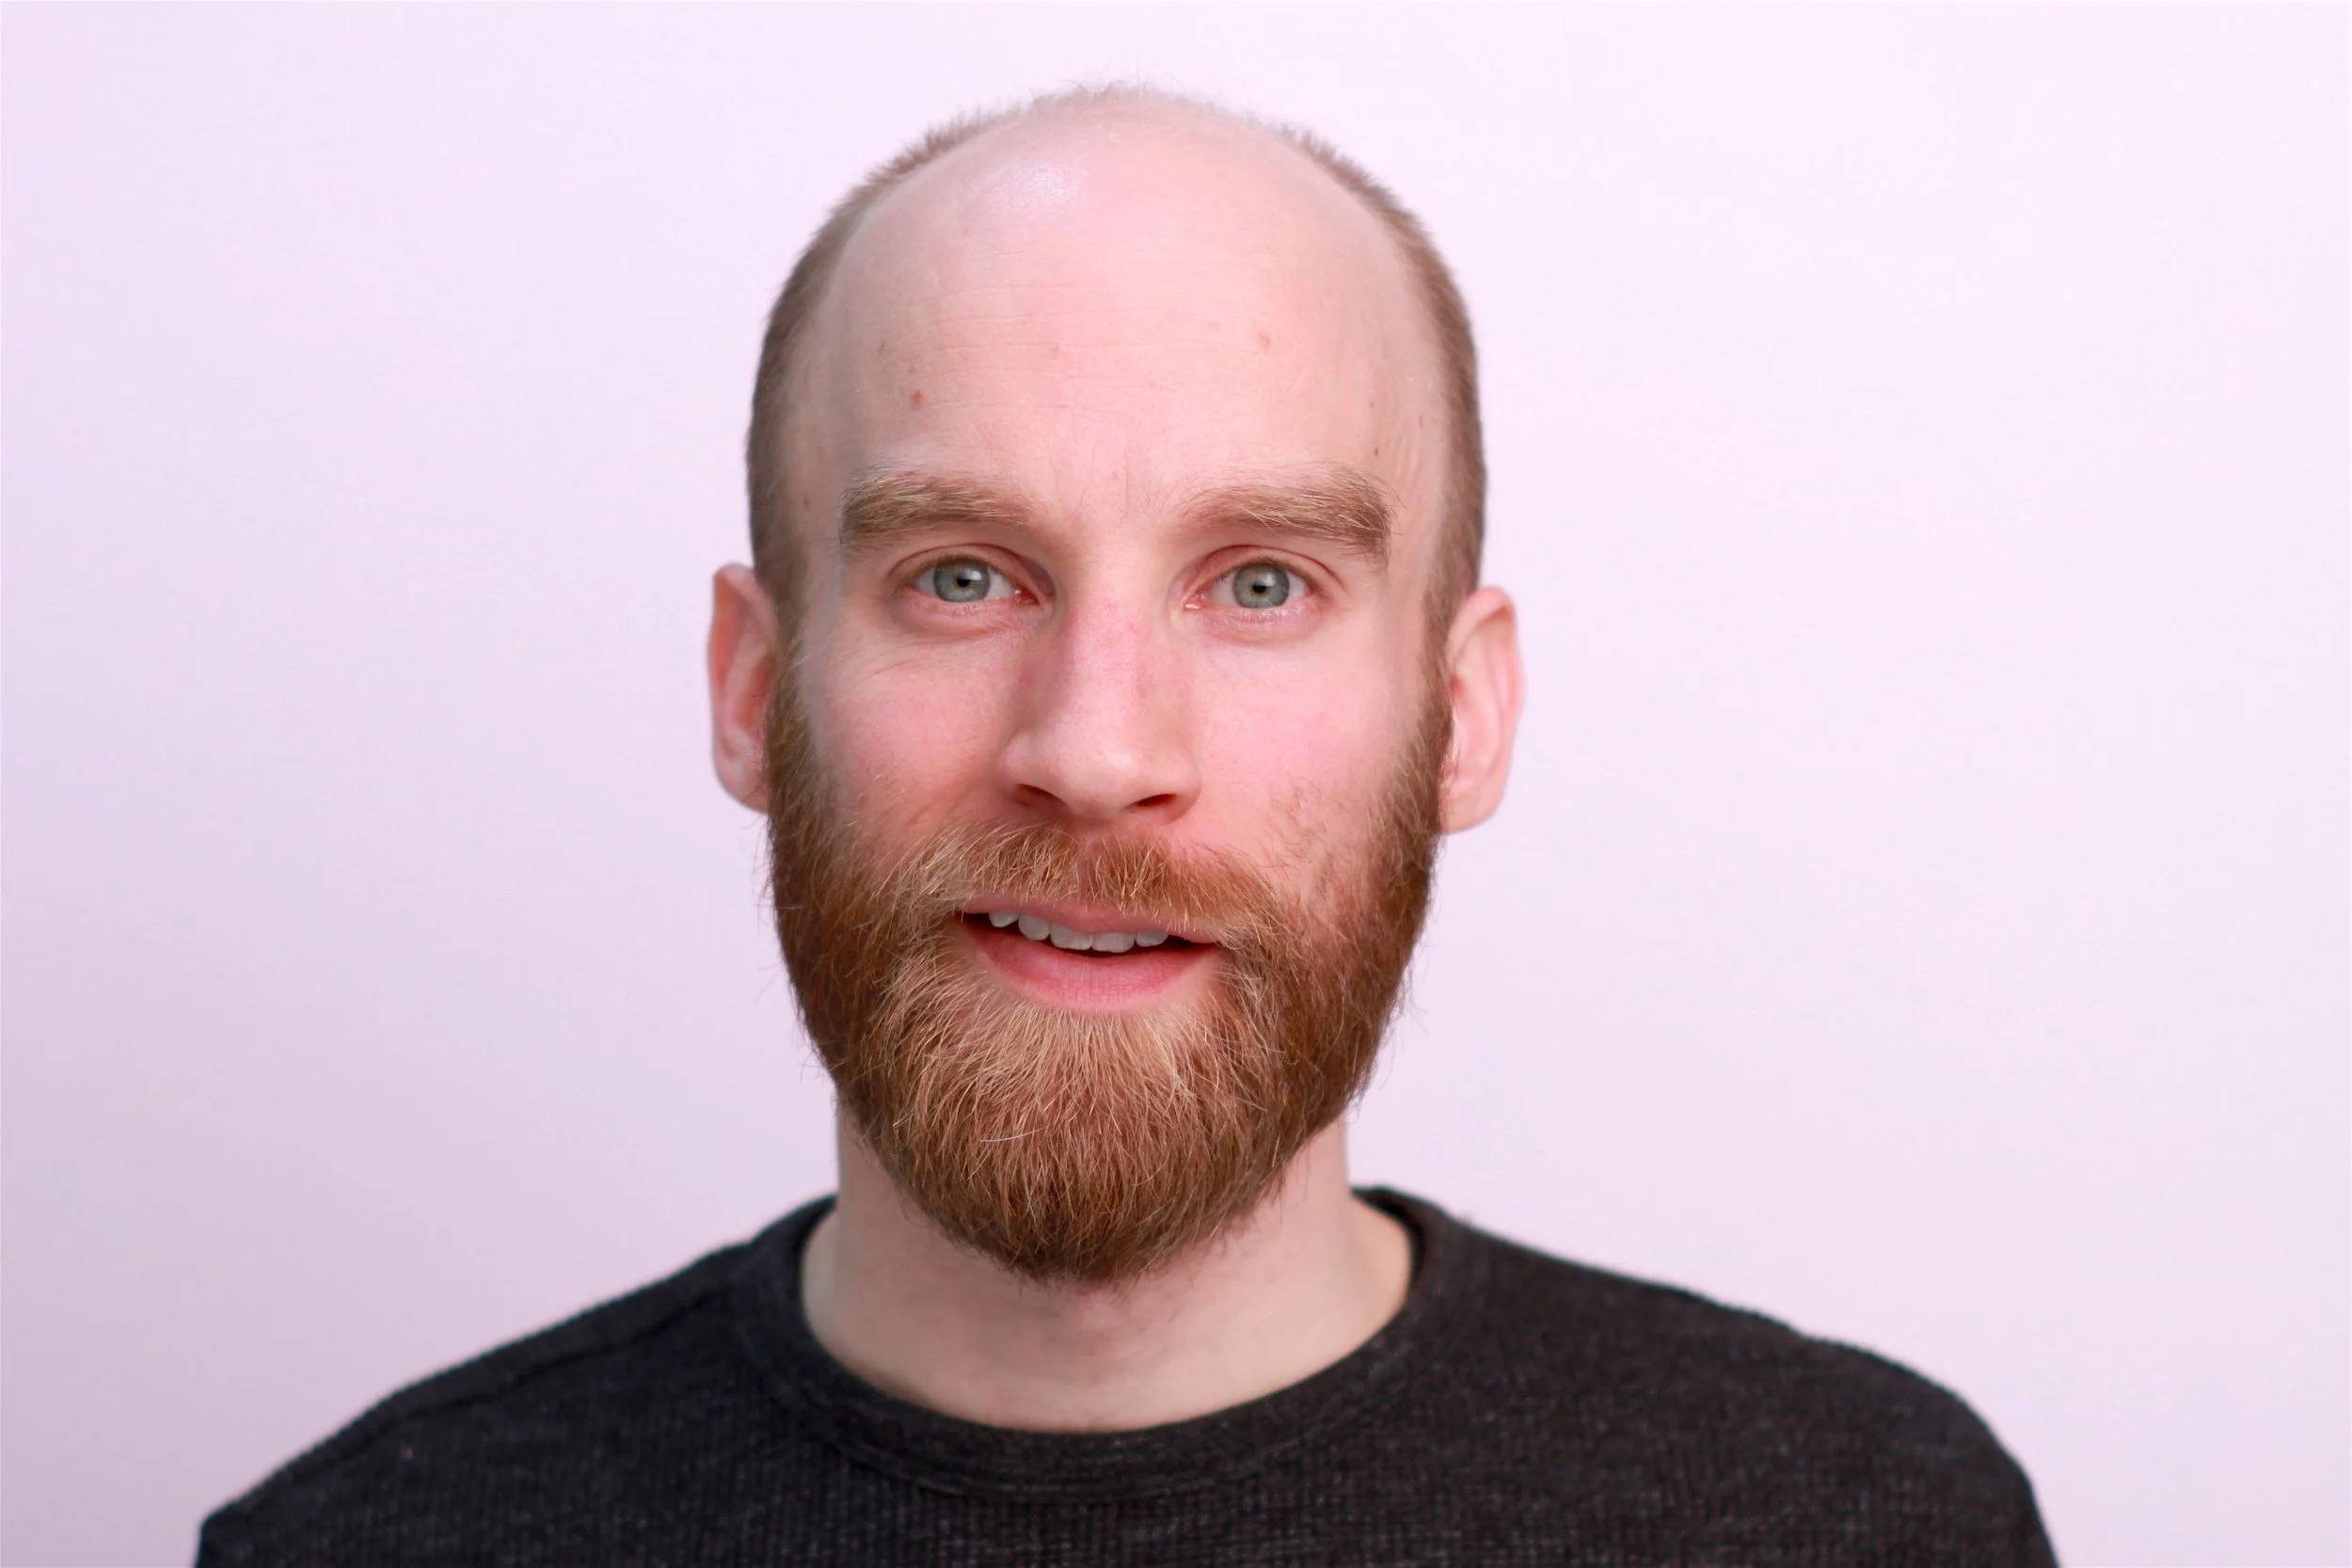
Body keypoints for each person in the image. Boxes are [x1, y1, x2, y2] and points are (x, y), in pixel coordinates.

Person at [198, 87, 2054, 1565]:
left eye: (1258, 583)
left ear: (1463, 712)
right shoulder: (366, 1545)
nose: (1094, 749)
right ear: (752, 690)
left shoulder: (1855, 1522)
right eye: (960, 575)